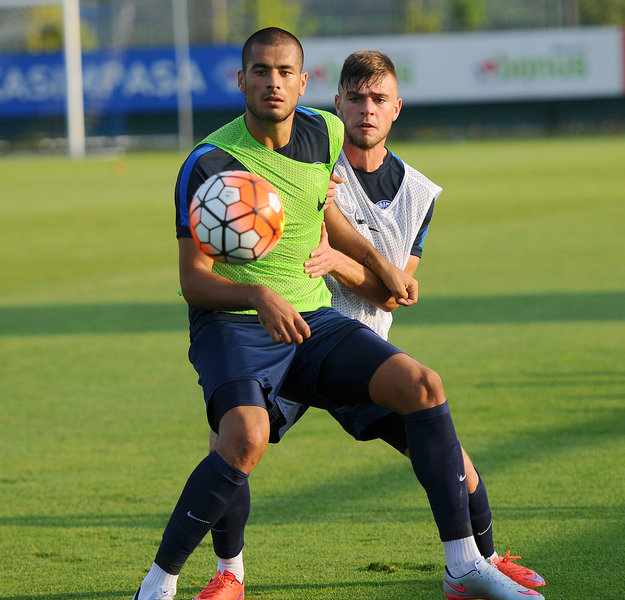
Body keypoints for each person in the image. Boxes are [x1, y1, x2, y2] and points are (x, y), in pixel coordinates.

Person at [131, 28, 544, 600]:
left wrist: (378, 263)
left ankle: (466, 566)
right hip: (235, 325)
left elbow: (326, 213)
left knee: (423, 386)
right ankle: (163, 584)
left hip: (314, 320)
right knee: (242, 438)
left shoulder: (324, 132)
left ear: (303, 82)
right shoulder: (208, 162)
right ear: (241, 79)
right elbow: (192, 281)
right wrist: (257, 295)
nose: (273, 82)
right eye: (260, 71)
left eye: (284, 72)